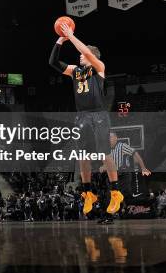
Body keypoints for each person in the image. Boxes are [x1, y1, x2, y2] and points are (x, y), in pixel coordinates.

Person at [49, 23, 124, 219]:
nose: (80, 55)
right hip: (81, 116)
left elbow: (84, 51)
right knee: (82, 155)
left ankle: (116, 192)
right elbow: (53, 62)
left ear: (92, 56)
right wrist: (60, 40)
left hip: (98, 115)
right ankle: (88, 192)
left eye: (84, 53)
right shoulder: (76, 71)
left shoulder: (99, 68)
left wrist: (71, 36)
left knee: (104, 154)